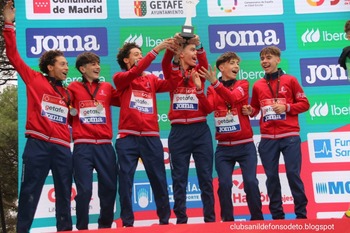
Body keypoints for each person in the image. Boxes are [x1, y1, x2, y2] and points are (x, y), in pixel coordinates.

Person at [3, 2, 73, 232]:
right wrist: (8, 23)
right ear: (50, 67)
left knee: (65, 193)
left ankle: (65, 229)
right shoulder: (34, 79)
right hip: (38, 145)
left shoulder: (67, 92)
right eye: (62, 64)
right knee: (30, 192)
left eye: (67, 65)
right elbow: (12, 55)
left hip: (63, 148)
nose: (67, 68)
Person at [113, 39, 177, 227]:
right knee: (125, 181)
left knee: (159, 179)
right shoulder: (120, 78)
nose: (140, 56)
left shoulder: (151, 79)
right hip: (127, 138)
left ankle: (164, 222)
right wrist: (157, 48)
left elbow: (171, 84)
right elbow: (135, 70)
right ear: (126, 60)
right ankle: (127, 223)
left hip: (150, 137)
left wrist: (171, 56)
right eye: (136, 54)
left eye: (141, 54)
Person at [194, 52, 263, 221]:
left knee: (251, 183)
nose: (236, 67)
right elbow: (208, 108)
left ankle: (257, 219)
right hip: (224, 149)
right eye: (232, 63)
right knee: (224, 185)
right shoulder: (211, 88)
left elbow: (232, 98)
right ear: (222, 67)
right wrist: (199, 90)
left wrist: (215, 83)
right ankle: (227, 222)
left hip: (245, 146)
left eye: (237, 64)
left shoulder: (243, 84)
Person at [242, 46, 309, 220]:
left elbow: (305, 104)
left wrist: (286, 107)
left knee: (293, 175)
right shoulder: (257, 85)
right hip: (267, 139)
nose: (265, 61)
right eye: (262, 58)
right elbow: (256, 109)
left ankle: (301, 215)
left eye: (269, 58)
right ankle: (277, 217)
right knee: (271, 177)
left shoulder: (290, 80)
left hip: (290, 137)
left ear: (278, 60)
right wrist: (250, 110)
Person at [162, 34, 215, 224]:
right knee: (179, 178)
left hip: (200, 130)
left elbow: (203, 60)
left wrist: (198, 44)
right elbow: (166, 62)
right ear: (181, 54)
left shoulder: (199, 72)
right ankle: (181, 220)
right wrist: (173, 45)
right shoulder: (172, 74)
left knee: (205, 177)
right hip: (178, 133)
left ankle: (210, 220)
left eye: (196, 51)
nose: (195, 54)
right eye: (191, 50)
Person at [68, 52, 119, 229]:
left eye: (98, 63)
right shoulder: (73, 87)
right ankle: (82, 228)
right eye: (93, 64)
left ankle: (104, 226)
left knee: (110, 189)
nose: (97, 67)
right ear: (82, 69)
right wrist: (74, 115)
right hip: (83, 147)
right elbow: (68, 112)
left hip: (105, 146)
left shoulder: (106, 86)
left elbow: (125, 100)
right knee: (84, 191)